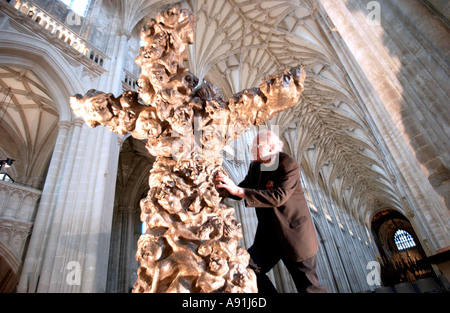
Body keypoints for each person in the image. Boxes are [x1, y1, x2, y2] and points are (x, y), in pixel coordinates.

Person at [215, 130, 327, 293]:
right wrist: (224, 188)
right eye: (251, 146)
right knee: (246, 268)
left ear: (271, 147)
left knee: (309, 288)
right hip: (269, 238)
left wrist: (238, 191)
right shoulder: (255, 166)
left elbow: (278, 197)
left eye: (256, 146)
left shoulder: (288, 163)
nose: (251, 149)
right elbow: (242, 189)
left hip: (294, 236)